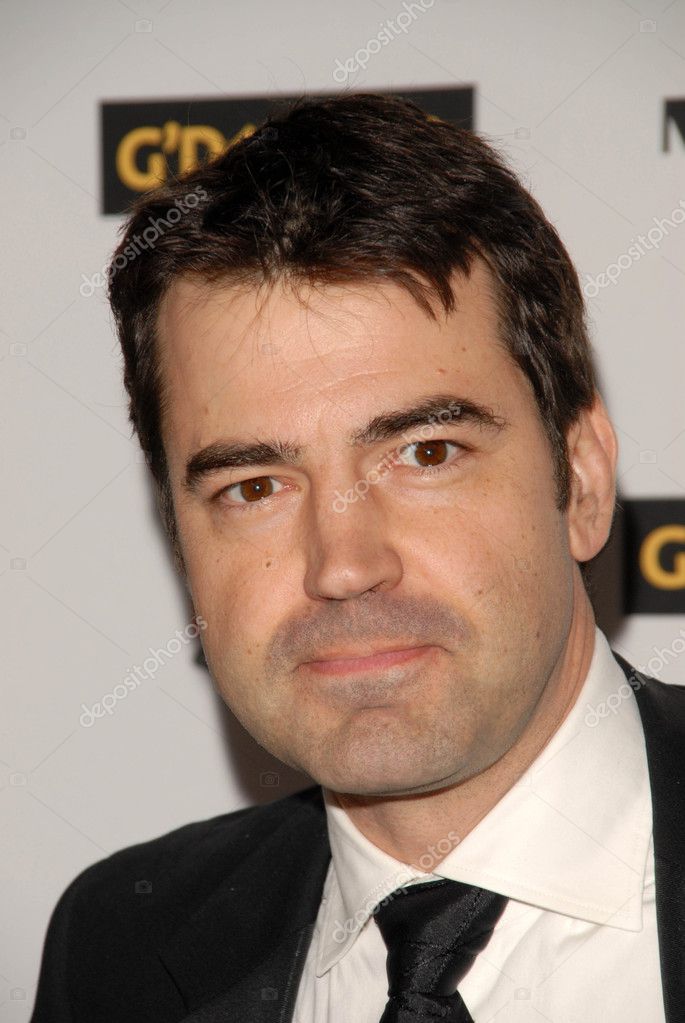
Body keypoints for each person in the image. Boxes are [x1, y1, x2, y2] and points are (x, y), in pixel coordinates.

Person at [30, 93, 684, 1023]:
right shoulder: (120, 946)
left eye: (425, 453)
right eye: (254, 486)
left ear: (579, 480)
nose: (341, 564)